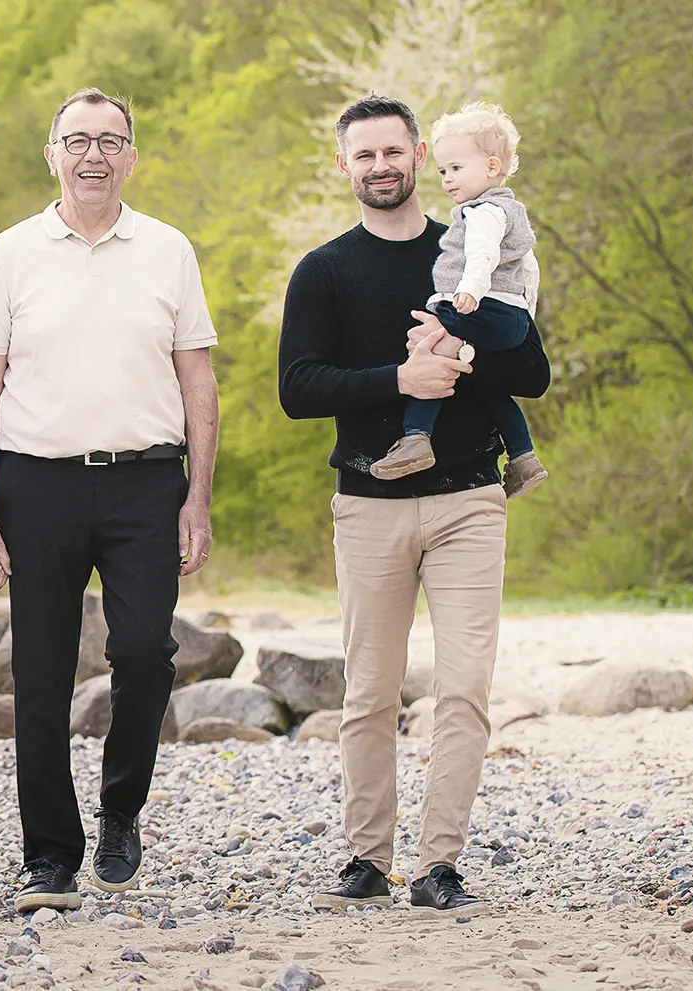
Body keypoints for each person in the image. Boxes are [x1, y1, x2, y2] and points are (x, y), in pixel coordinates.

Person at [277, 96, 551, 918]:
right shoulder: (323, 270)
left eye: (393, 151)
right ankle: (366, 856)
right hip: (367, 502)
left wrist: (458, 355)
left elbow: (531, 370)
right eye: (363, 156)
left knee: (464, 688)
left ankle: (439, 865)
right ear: (344, 167)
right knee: (368, 691)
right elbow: (298, 388)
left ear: (420, 153)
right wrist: (400, 379)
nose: (380, 166)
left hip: (469, 498)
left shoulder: (473, 244)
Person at [0, 88, 219, 913]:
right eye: (78, 140)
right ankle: (48, 854)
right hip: (34, 482)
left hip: (147, 481)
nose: (94, 155)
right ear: (52, 154)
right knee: (38, 668)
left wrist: (198, 496)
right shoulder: (9, 253)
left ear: (131, 156)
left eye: (111, 141)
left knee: (144, 650)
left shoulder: (169, 250)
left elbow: (197, 379)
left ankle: (120, 810)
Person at [368, 102, 548, 498]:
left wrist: (466, 295)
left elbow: (482, 255)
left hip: (481, 305)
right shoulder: (511, 211)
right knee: (491, 389)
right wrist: (525, 317)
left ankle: (416, 436)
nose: (448, 179)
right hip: (509, 314)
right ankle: (523, 456)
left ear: (491, 166)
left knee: (432, 350)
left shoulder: (483, 213)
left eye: (457, 169)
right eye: (443, 171)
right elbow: (529, 271)